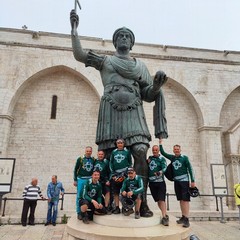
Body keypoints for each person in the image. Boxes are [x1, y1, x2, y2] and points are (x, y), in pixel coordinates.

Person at [70, 10, 168, 217]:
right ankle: (107, 202)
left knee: (141, 151)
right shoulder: (105, 61)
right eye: (120, 36)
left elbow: (148, 95)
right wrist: (74, 30)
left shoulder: (140, 66)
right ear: (115, 42)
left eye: (127, 36)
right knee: (106, 158)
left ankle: (141, 202)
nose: (124, 38)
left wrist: (157, 86)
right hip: (111, 113)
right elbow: (79, 55)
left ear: (132, 43)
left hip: (134, 111)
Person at [159, 139, 195, 228]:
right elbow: (163, 153)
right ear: (173, 150)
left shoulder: (185, 158)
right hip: (176, 181)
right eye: (175, 149)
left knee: (185, 199)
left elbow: (190, 169)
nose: (176, 150)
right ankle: (183, 216)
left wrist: (193, 181)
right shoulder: (173, 158)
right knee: (180, 199)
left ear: (180, 150)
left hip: (184, 181)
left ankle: (186, 218)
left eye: (178, 149)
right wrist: (160, 143)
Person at [147, 145, 169, 226]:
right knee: (158, 200)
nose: (155, 151)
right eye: (153, 150)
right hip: (152, 183)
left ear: (158, 150)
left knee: (161, 199)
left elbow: (165, 168)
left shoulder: (162, 159)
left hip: (160, 182)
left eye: (156, 150)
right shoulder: (150, 158)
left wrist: (160, 172)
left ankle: (164, 217)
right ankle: (165, 214)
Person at [109, 138, 132, 214]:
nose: (120, 144)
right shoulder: (113, 152)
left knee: (124, 191)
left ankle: (125, 207)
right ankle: (117, 207)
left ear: (123, 143)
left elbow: (130, 163)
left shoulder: (127, 152)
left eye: (121, 143)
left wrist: (125, 175)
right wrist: (113, 174)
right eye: (118, 143)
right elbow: (111, 163)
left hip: (124, 175)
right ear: (116, 144)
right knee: (115, 192)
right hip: (115, 175)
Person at [73, 146, 95, 220]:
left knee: (89, 195)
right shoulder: (80, 159)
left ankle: (87, 212)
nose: (88, 152)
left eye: (90, 151)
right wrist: (75, 180)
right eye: (87, 151)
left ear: (91, 152)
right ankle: (79, 212)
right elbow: (75, 169)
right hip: (81, 179)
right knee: (79, 195)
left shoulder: (93, 159)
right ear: (85, 151)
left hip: (89, 179)